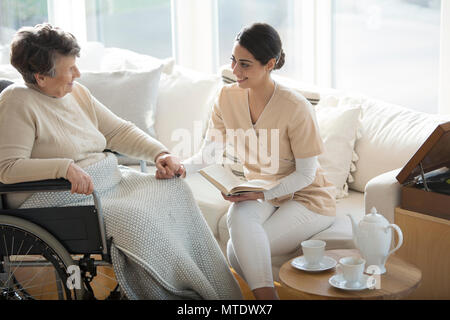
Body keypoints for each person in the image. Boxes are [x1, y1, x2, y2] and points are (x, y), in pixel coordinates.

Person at [0, 23, 242, 300]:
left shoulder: (76, 93)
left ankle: (214, 294)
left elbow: (116, 131)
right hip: (58, 197)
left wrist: (159, 154)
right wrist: (63, 167)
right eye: (70, 69)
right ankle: (172, 293)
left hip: (103, 183)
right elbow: (7, 168)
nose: (77, 74)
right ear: (41, 77)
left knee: (173, 190)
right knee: (138, 219)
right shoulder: (17, 102)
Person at [184, 23, 336, 300]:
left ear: (270, 64)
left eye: (245, 64)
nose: (235, 71)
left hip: (307, 197)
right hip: (263, 190)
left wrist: (260, 193)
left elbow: (305, 175)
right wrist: (180, 168)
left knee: (235, 249)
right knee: (237, 215)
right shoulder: (226, 97)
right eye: (233, 60)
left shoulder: (295, 107)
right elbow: (209, 154)